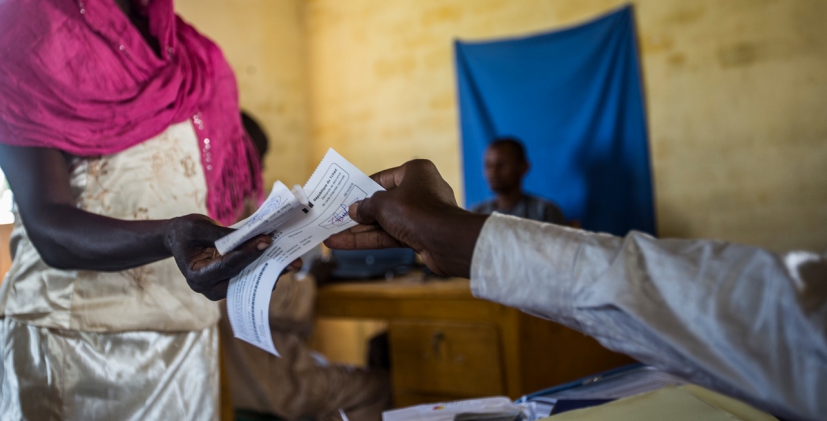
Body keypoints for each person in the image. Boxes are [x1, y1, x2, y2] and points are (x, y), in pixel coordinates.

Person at [0, 0, 277, 419]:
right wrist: (170, 236)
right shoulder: (14, 43)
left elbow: (219, 201)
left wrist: (258, 247)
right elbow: (50, 225)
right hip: (72, 345)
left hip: (183, 337)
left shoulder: (197, 61)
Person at [325, 160, 826, 421]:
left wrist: (473, 243)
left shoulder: (541, 212)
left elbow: (775, 317)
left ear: (522, 170)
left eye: (503, 165)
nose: (493, 173)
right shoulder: (475, 208)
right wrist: (466, 239)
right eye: (488, 165)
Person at [221, 113, 390, 421]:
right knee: (379, 385)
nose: (263, 170)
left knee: (328, 370)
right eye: (260, 160)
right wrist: (312, 279)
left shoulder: (205, 213)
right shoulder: (237, 217)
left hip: (235, 387)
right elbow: (276, 302)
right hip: (273, 387)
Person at [470, 138, 565, 224]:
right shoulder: (477, 213)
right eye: (488, 166)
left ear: (523, 167)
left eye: (501, 165)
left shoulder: (544, 212)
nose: (493, 172)